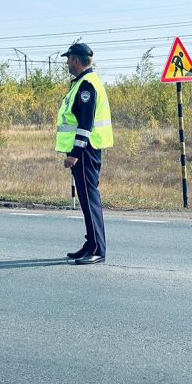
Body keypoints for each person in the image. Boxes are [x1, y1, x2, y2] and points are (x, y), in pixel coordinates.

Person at [56, 42, 113, 264]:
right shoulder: (84, 82)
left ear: (76, 61)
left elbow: (85, 124)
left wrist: (75, 153)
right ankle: (90, 244)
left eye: (68, 59)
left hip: (86, 150)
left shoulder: (86, 85)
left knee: (89, 199)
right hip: (85, 150)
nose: (67, 62)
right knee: (86, 199)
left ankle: (98, 248)